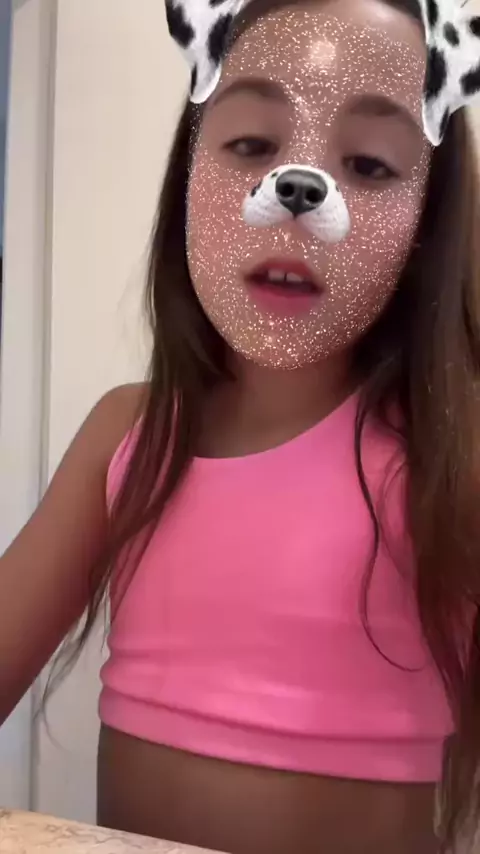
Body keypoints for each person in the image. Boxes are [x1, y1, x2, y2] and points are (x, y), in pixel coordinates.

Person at [1, 0, 480, 852]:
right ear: (191, 170)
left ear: (426, 221)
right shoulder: (129, 435)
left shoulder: (454, 460)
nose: (299, 191)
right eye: (254, 144)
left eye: (369, 164)